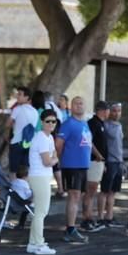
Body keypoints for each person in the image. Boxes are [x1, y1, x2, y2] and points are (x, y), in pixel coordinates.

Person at [56, 96, 92, 244]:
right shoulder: (67, 124)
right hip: (71, 166)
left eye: (82, 103)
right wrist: (58, 161)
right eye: (76, 103)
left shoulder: (84, 124)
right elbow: (58, 145)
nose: (79, 106)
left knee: (77, 196)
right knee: (74, 196)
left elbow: (88, 143)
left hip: (83, 166)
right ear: (71, 107)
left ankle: (72, 227)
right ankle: (70, 229)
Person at [26, 110, 59, 255]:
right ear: (42, 122)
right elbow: (48, 161)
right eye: (48, 121)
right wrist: (55, 159)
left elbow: (52, 157)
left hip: (43, 176)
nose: (51, 124)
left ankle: (34, 243)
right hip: (39, 177)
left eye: (54, 121)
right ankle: (38, 244)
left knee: (40, 212)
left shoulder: (49, 137)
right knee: (41, 212)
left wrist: (54, 158)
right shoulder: (42, 138)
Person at [81, 101, 109, 233]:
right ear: (102, 110)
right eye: (108, 110)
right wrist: (98, 155)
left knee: (92, 191)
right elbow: (88, 141)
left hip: (99, 162)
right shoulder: (93, 123)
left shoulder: (101, 123)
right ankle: (87, 219)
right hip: (93, 161)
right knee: (90, 191)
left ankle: (89, 218)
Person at [98, 102, 125, 228]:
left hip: (118, 162)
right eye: (114, 111)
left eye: (119, 111)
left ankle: (109, 216)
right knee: (104, 190)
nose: (117, 113)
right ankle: (100, 217)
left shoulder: (119, 125)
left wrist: (122, 162)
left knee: (113, 191)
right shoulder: (106, 125)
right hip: (109, 161)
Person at [6, 86, 37, 178]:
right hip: (28, 143)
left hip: (16, 142)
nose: (17, 97)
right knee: (25, 170)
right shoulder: (35, 112)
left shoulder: (17, 109)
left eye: (20, 94)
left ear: (27, 97)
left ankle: (14, 190)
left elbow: (8, 124)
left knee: (13, 170)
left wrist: (8, 133)